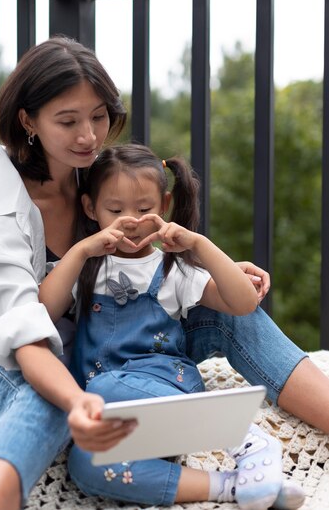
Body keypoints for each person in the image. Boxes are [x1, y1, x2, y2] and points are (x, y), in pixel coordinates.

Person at [0, 34, 329, 510]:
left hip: (117, 346)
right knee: (45, 402)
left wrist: (212, 267)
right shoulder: (3, 220)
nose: (89, 136)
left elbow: (145, 263)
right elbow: (25, 337)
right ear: (28, 120)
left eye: (98, 116)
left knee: (228, 312)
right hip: (14, 359)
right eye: (68, 121)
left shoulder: (92, 174)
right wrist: (77, 400)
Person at [39, 143, 305, 509]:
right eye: (115, 210)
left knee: (101, 386)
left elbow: (243, 303)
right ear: (90, 207)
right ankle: (232, 486)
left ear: (163, 206)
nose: (130, 220)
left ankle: (242, 436)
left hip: (168, 389)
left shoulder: (172, 270)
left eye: (144, 209)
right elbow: (43, 309)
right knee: (85, 467)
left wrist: (197, 243)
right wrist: (83, 249)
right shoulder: (85, 266)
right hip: (115, 414)